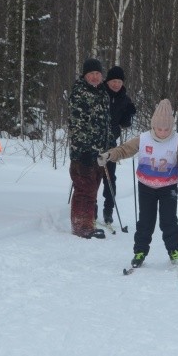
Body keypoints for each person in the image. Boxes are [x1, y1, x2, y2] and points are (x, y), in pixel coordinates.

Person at [98, 99, 178, 268]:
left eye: (166, 129)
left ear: (171, 127)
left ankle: (175, 251)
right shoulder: (143, 138)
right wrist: (108, 155)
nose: (163, 132)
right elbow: (124, 150)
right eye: (159, 128)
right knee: (145, 221)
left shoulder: (177, 141)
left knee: (168, 221)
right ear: (153, 125)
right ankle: (140, 252)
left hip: (168, 188)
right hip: (146, 187)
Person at [68, 57, 110, 238]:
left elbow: (104, 122)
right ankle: (82, 227)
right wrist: (84, 149)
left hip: (99, 153)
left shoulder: (102, 93)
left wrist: (108, 142)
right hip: (83, 153)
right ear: (85, 75)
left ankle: (88, 222)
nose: (95, 77)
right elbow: (77, 124)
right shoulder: (80, 93)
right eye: (91, 73)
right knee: (84, 190)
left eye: (98, 73)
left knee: (92, 189)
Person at [98, 65, 136, 230]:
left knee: (110, 178)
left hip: (111, 144)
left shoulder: (124, 98)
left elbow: (125, 123)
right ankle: (91, 210)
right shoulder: (99, 93)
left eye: (119, 82)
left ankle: (108, 211)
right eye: (113, 81)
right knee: (93, 177)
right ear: (107, 81)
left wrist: (129, 113)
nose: (116, 84)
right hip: (94, 141)